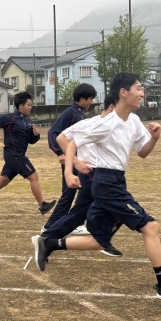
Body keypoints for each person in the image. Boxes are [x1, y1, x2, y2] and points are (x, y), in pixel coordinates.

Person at [32, 73, 161, 298]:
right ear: (123, 92)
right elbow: (71, 144)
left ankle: (49, 243)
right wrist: (70, 171)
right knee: (150, 227)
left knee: (99, 241)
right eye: (138, 89)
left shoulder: (134, 121)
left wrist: (154, 138)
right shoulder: (107, 123)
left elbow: (142, 152)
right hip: (106, 183)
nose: (142, 94)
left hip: (116, 181)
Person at [41, 93, 122, 257]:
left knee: (79, 212)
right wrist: (75, 162)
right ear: (112, 107)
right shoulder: (86, 122)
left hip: (101, 174)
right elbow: (60, 138)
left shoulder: (111, 126)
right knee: (118, 205)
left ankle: (46, 238)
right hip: (91, 173)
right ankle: (101, 239)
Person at [0, 91, 56, 215]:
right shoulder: (10, 118)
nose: (31, 107)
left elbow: (31, 141)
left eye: (31, 105)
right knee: (33, 177)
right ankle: (42, 205)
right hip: (13, 154)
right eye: (28, 105)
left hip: (18, 155)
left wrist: (36, 135)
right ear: (20, 106)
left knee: (3, 180)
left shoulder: (28, 121)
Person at [42, 83, 96, 235]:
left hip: (76, 158)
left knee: (79, 191)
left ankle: (73, 223)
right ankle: (51, 225)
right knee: (71, 193)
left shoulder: (79, 113)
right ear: (82, 98)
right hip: (70, 159)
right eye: (90, 99)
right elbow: (52, 132)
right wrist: (60, 153)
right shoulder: (71, 113)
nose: (91, 102)